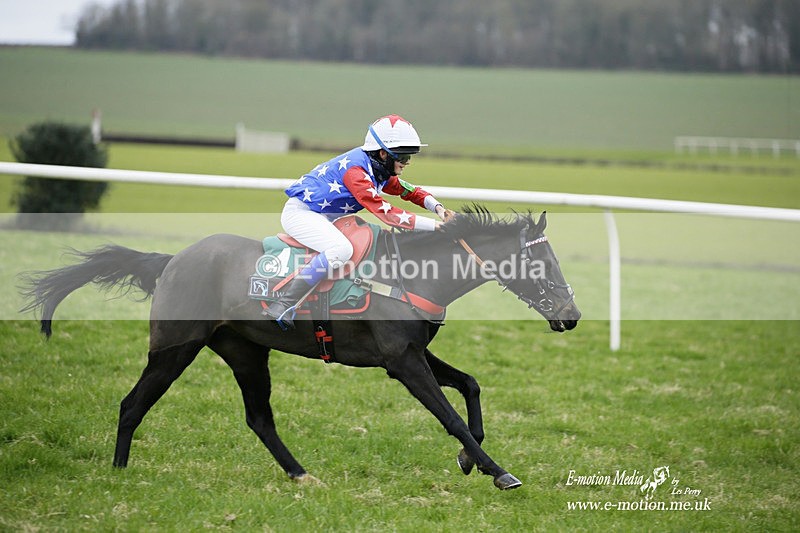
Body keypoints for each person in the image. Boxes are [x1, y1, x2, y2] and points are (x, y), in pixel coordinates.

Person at [265, 114, 455, 329]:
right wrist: (437, 227)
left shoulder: (376, 168)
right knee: (341, 249)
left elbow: (408, 190)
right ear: (383, 153)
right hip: (302, 215)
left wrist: (438, 208)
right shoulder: (356, 172)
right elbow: (388, 214)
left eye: (409, 155)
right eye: (402, 156)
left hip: (326, 216)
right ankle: (284, 304)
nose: (407, 162)